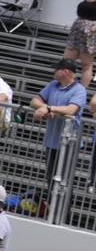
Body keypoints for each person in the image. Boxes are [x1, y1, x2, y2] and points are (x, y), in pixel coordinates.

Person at [29, 58, 88, 186]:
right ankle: (51, 205)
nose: (54, 71)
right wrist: (45, 108)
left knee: (64, 181)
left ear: (66, 71)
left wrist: (50, 108)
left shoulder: (79, 90)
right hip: (52, 141)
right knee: (51, 179)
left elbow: (71, 110)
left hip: (69, 142)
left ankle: (63, 207)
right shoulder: (52, 85)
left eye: (57, 69)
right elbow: (34, 101)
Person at [64, 0, 96, 89]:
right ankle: (65, 84)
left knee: (86, 64)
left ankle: (81, 90)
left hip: (90, 33)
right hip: (78, 30)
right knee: (67, 61)